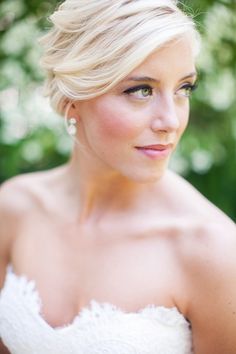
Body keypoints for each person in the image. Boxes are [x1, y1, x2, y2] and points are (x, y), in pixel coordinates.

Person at [0, 0, 235, 353]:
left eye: (184, 88)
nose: (170, 121)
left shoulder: (213, 251)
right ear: (71, 97)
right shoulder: (15, 208)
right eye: (141, 90)